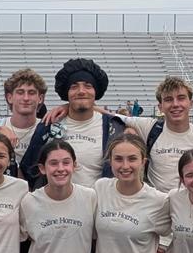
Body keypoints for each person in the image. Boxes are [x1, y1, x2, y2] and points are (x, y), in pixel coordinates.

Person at [95, 76, 193, 192]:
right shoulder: (150, 127)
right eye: (168, 99)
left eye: (181, 98)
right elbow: (111, 116)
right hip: (160, 202)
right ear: (160, 107)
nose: (175, 104)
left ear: (191, 103)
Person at [21, 58, 122, 188]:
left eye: (88, 86)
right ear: (67, 93)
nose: (81, 91)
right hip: (57, 200)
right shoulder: (48, 125)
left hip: (99, 200)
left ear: (95, 91)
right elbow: (29, 168)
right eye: (74, 87)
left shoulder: (113, 127)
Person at [92, 134, 170, 253]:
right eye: (118, 159)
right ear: (110, 162)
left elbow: (176, 231)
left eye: (132, 159)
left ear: (143, 162)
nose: (125, 166)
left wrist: (165, 245)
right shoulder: (101, 188)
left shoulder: (159, 200)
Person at [20, 139, 98, 253]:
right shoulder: (29, 202)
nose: (60, 168)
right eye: (53, 163)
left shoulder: (90, 197)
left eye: (66, 163)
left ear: (74, 165)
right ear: (42, 168)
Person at [0, 68, 47, 166]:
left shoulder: (48, 130)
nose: (26, 98)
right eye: (20, 92)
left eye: (31, 93)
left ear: (40, 98)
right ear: (9, 97)